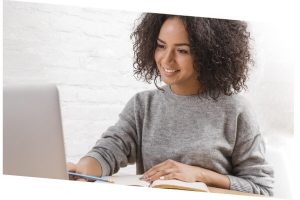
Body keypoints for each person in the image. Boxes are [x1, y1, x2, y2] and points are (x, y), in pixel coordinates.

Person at [67, 13, 274, 196]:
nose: (167, 60)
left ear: (208, 53)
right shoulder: (143, 104)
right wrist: (80, 170)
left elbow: (261, 188)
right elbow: (109, 151)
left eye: (182, 51)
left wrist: (200, 175)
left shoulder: (235, 110)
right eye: (161, 46)